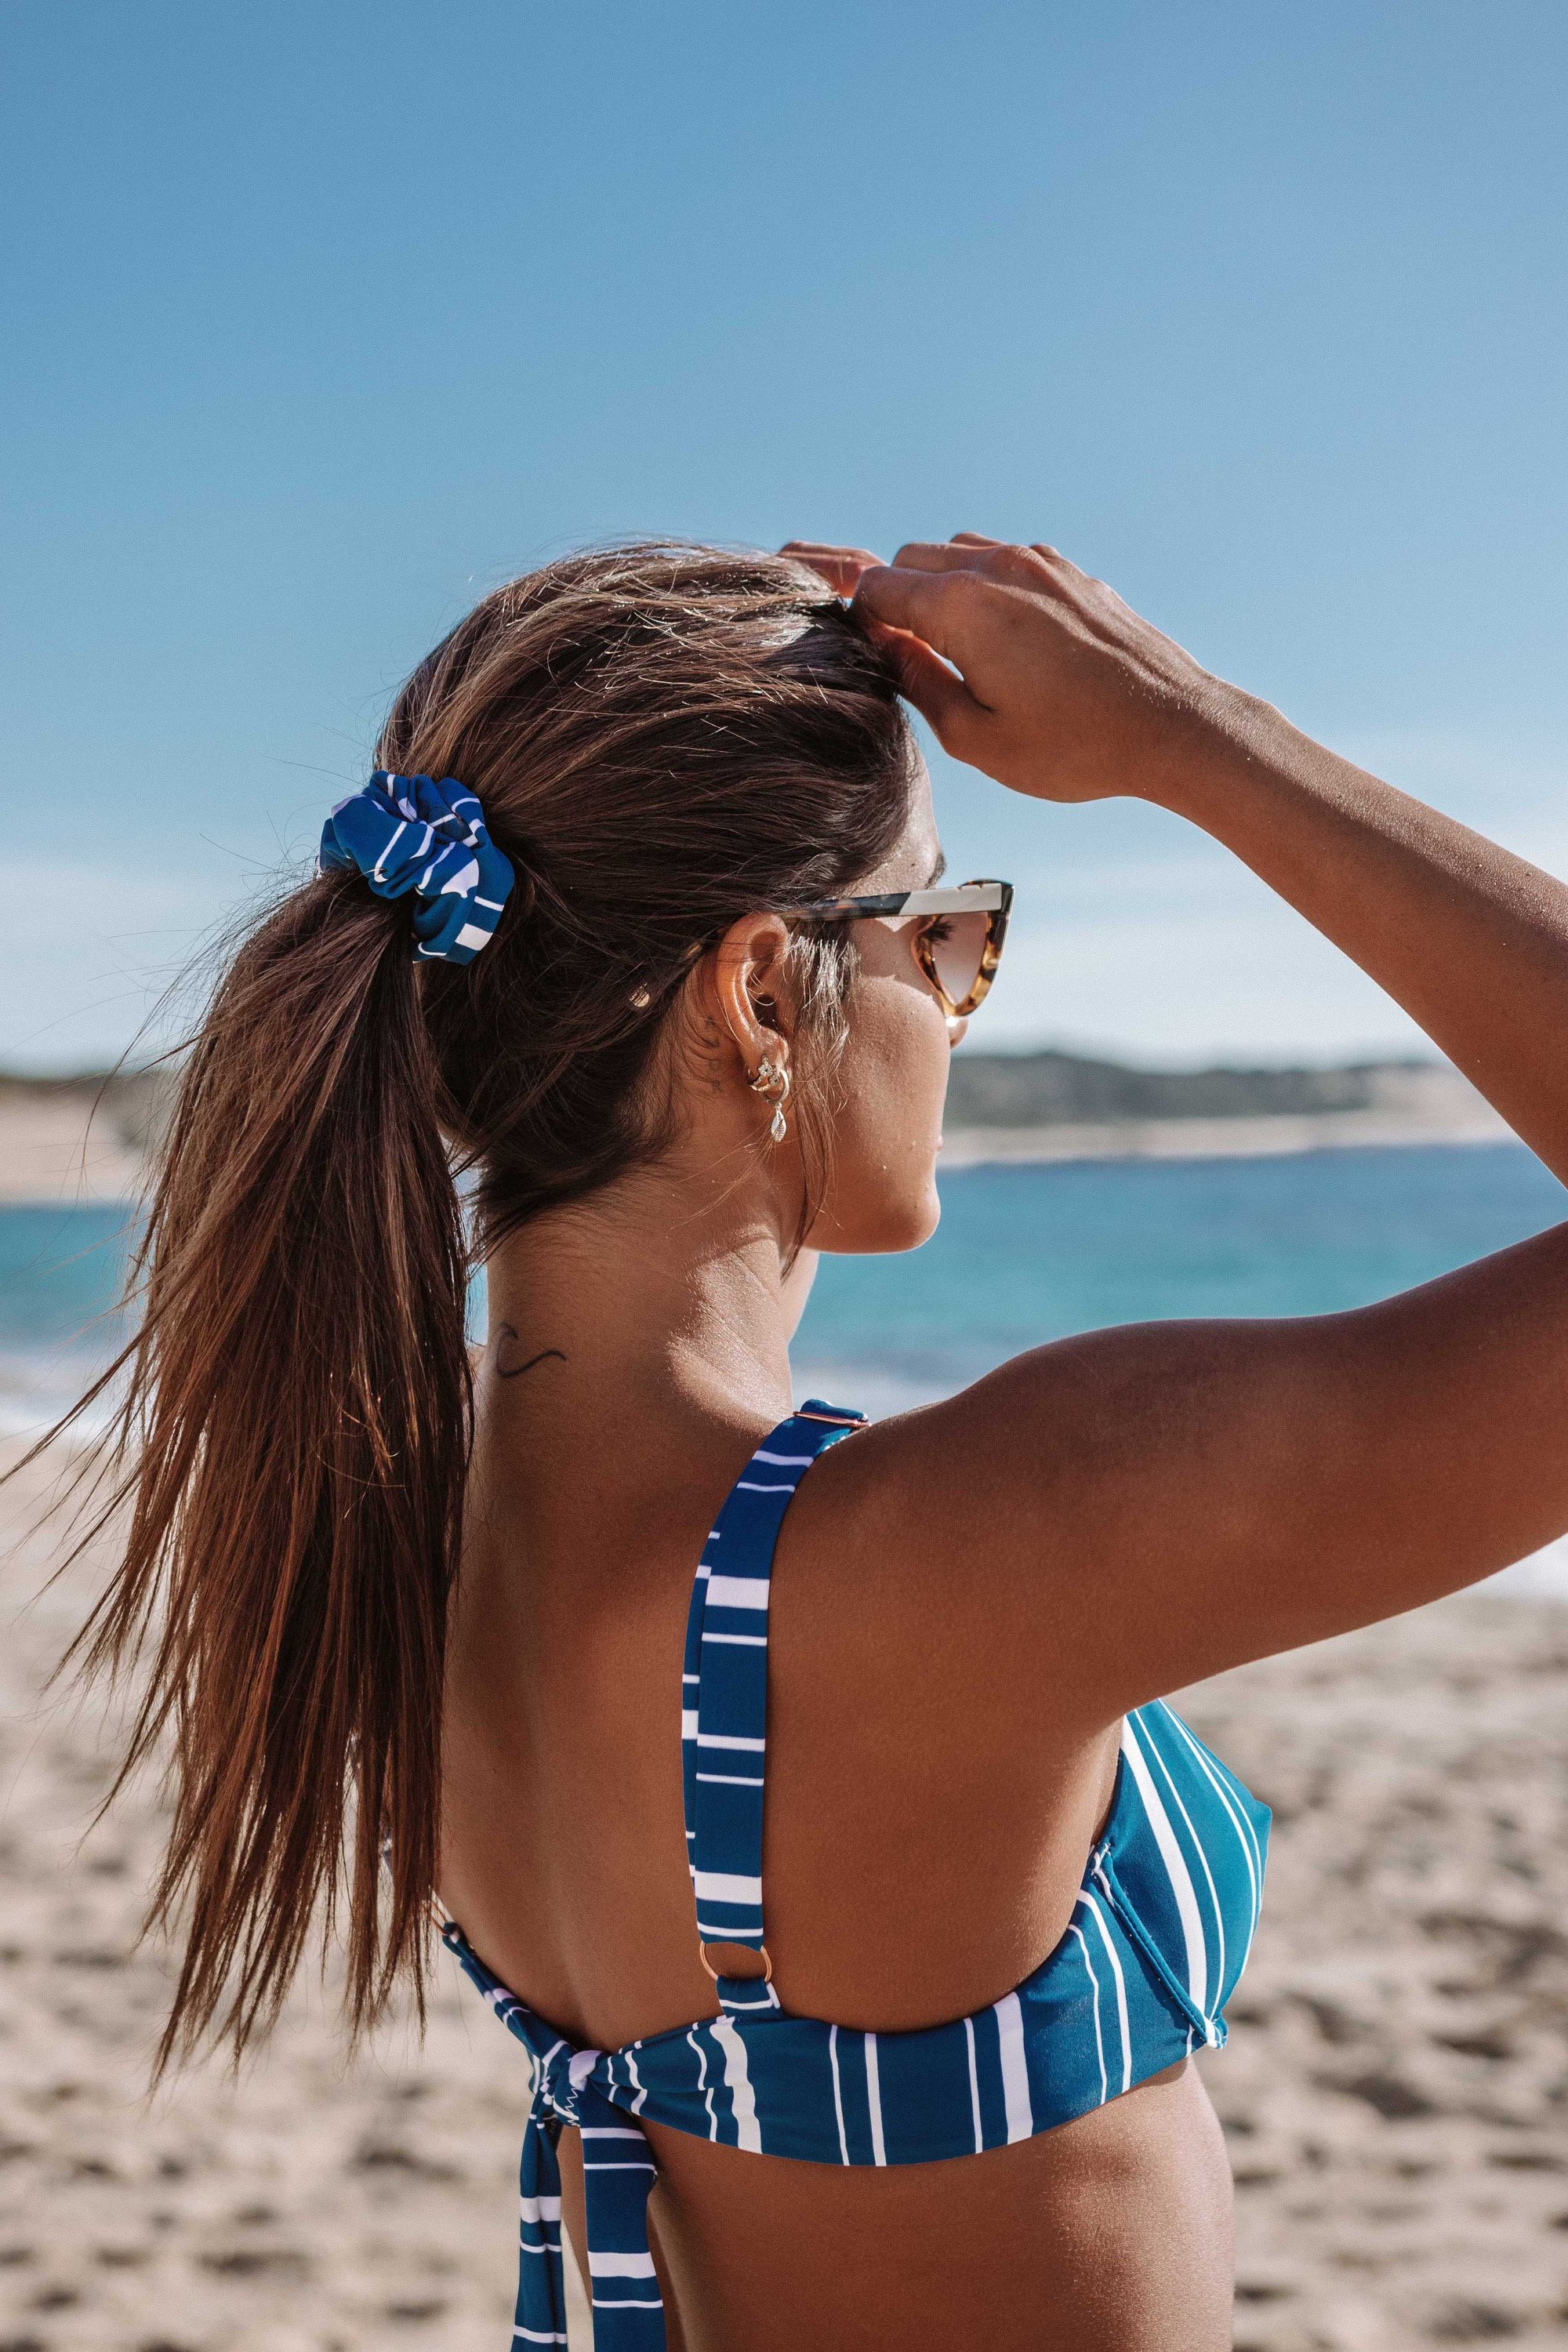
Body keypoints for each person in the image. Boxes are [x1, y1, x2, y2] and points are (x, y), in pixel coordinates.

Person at [77, 537, 1568, 2351]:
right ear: (764, 993)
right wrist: (1196, 735)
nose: (956, 1002)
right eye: (943, 932)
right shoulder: (961, 1551)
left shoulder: (386, 1524)